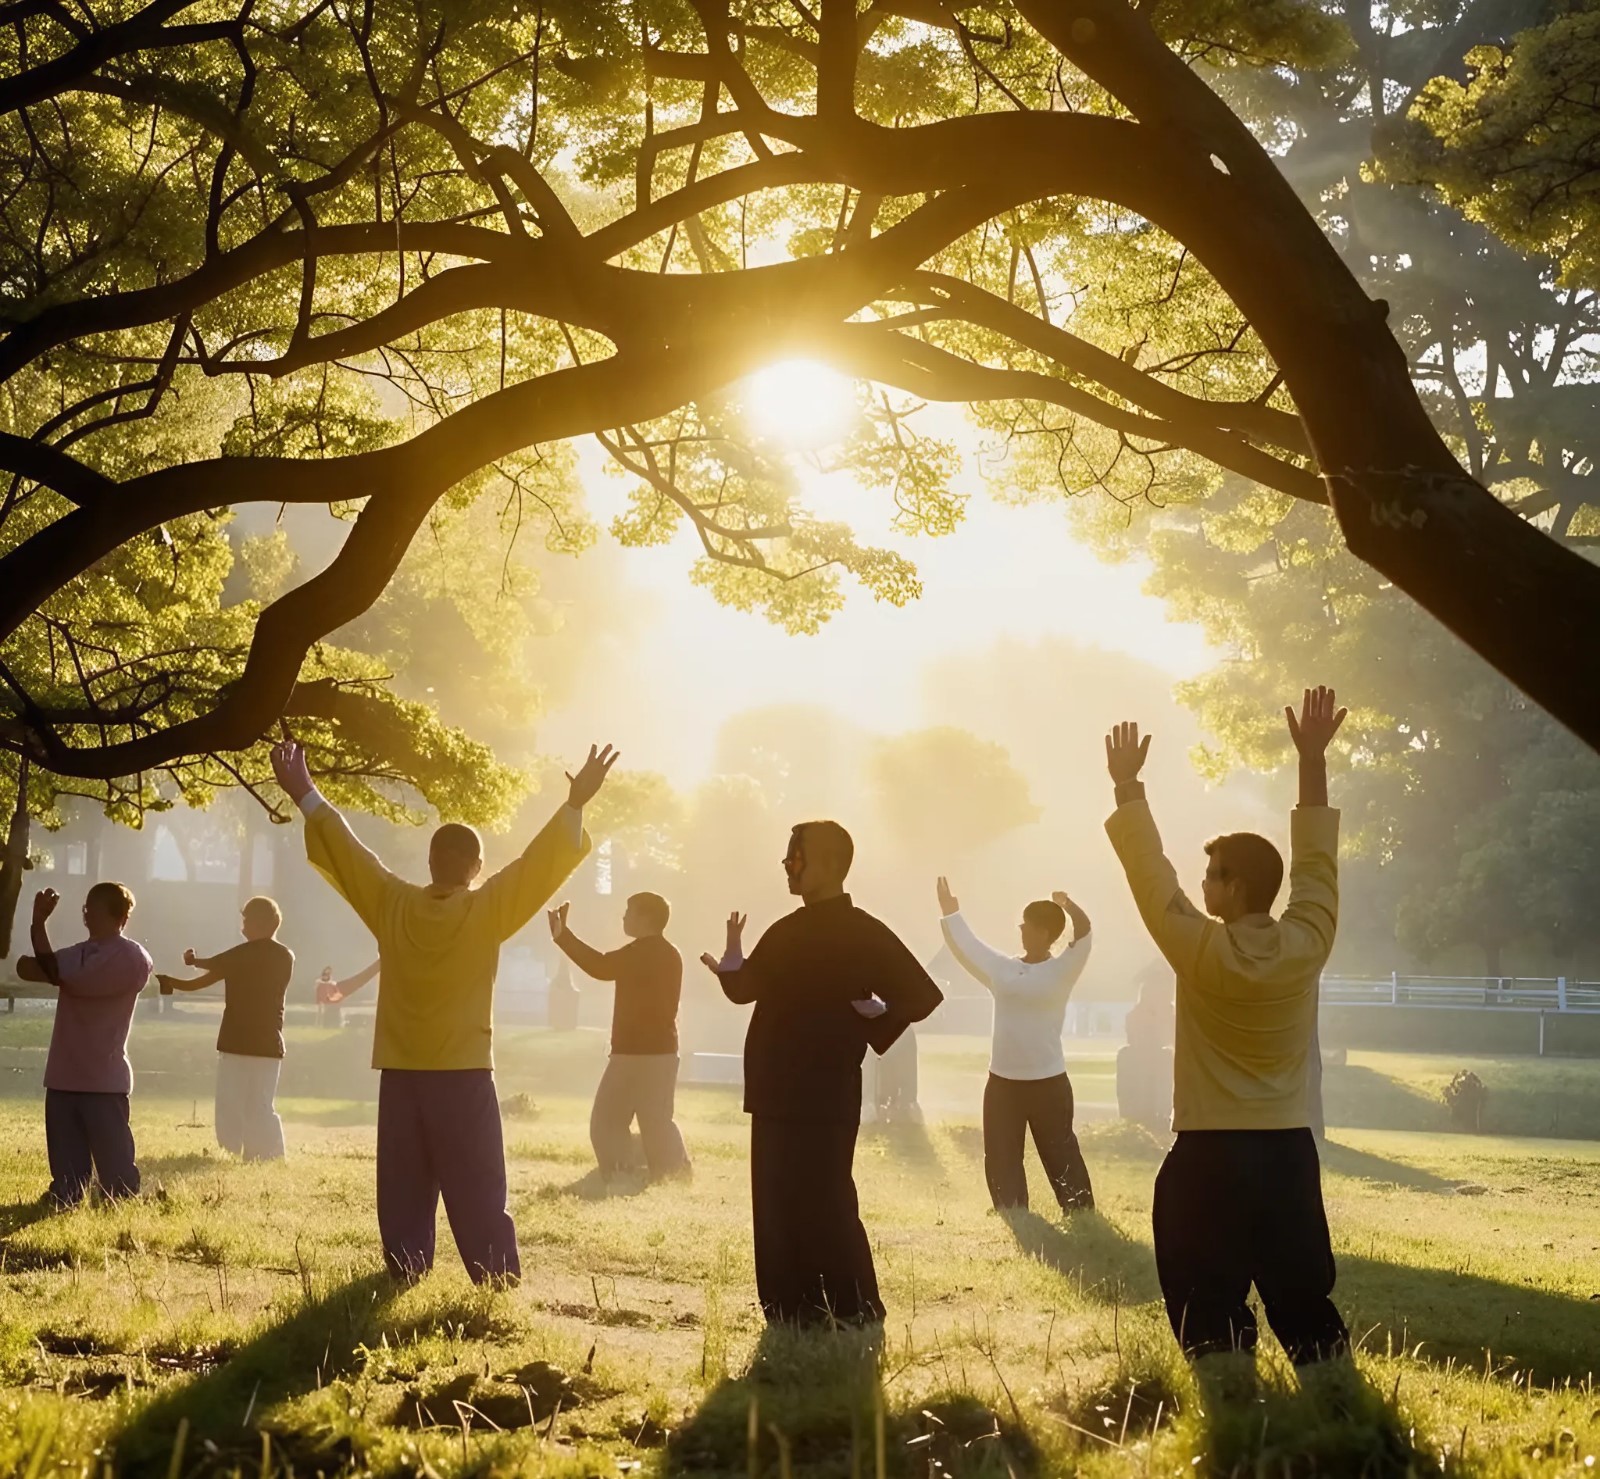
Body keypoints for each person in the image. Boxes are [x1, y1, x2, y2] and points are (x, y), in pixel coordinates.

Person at [270, 736, 617, 1285]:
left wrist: (306, 792)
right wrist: (575, 804)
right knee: (478, 1181)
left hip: (402, 1069)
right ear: (477, 868)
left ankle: (406, 1268)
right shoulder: (486, 908)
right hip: (462, 1068)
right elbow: (536, 867)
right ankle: (496, 1277)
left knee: (404, 1182)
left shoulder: (391, 902)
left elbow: (349, 853)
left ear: (431, 861)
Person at [1103, 686, 1349, 1368]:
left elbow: (1151, 877)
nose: (1202, 885)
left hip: (1210, 1153)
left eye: (1213, 875)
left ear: (1236, 887)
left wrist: (1129, 788)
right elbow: (1317, 864)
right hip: (1287, 1151)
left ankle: (1228, 1394)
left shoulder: (1200, 950)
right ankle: (1333, 1398)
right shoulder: (1308, 943)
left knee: (1204, 1295)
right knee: (1302, 1295)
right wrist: (1311, 760)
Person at [701, 820, 943, 1327]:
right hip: (773, 1087)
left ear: (831, 864)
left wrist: (881, 1015)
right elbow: (746, 989)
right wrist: (729, 963)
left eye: (798, 856)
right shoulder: (784, 931)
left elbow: (923, 995)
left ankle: (854, 1305)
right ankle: (789, 1310)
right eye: (787, 856)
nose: (788, 865)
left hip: (830, 1085)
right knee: (775, 1201)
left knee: (828, 1196)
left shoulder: (864, 931)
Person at [936, 878, 1094, 1213]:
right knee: (1001, 1152)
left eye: (1027, 925)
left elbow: (1084, 933)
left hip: (1048, 1082)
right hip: (1003, 1082)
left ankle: (1079, 1209)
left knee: (1059, 1150)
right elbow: (970, 947)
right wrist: (952, 913)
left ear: (1043, 932)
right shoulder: (1003, 970)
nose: (1020, 930)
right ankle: (1011, 1209)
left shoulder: (1063, 969)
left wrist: (1067, 904)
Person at [16, 883, 152, 1206]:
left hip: (102, 1080)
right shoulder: (81, 955)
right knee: (67, 1180)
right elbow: (41, 969)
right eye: (85, 907)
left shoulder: (130, 958)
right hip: (67, 1077)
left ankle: (116, 1205)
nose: (86, 914)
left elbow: (45, 969)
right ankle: (69, 1197)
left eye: (93, 907)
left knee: (117, 1177)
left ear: (118, 915)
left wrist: (40, 930)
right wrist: (49, 962)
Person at [547, 894, 690, 1180]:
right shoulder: (670, 952)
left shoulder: (640, 952)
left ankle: (621, 1170)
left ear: (646, 918)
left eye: (629, 912)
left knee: (607, 1120)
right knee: (657, 1121)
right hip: (662, 1052)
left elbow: (600, 966)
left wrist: (563, 937)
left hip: (633, 1054)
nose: (623, 917)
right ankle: (674, 1173)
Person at [155, 896, 296, 1161]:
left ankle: (229, 1152)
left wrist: (191, 963)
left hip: (236, 1041)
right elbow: (216, 968)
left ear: (261, 923)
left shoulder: (241, 956)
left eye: (246, 921)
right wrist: (186, 972)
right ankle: (268, 1154)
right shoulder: (285, 956)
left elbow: (210, 970)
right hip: (269, 1044)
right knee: (262, 1104)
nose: (242, 927)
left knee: (230, 1103)